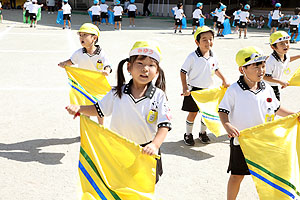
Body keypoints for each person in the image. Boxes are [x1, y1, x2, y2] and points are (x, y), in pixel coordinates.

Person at [65, 41, 171, 183]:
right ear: (129, 67)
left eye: (151, 65)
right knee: (119, 183)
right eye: (140, 63)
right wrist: (80, 109)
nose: (145, 69)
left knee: (143, 185)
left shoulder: (159, 96)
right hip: (119, 148)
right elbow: (99, 110)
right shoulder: (117, 92)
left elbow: (164, 125)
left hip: (146, 150)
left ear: (157, 71)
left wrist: (155, 145)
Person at [218, 46, 300, 200]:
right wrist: (227, 125)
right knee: (237, 176)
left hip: (264, 141)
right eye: (256, 66)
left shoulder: (267, 88)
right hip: (242, 142)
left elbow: (276, 108)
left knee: (266, 176)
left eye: (263, 66)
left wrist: (294, 115)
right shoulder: (234, 90)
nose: (261, 70)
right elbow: (223, 110)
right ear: (242, 69)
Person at [181, 26, 229, 146]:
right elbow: (183, 71)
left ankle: (203, 133)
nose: (208, 42)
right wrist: (185, 87)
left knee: (207, 114)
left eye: (211, 39)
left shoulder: (213, 55)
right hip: (194, 90)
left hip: (209, 91)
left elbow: (216, 69)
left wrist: (224, 79)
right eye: (204, 39)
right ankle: (188, 134)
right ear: (197, 42)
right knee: (193, 113)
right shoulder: (192, 56)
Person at [58, 23, 112, 125]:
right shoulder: (79, 53)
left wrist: (106, 71)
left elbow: (108, 65)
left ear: (94, 38)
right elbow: (71, 61)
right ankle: (87, 127)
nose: (81, 38)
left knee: (99, 106)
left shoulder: (101, 53)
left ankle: (101, 126)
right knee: (86, 107)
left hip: (97, 85)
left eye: (84, 35)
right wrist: (64, 63)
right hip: (84, 85)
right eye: (80, 35)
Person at [263, 31, 300, 101]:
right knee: (271, 107)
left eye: (287, 42)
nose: (286, 45)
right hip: (267, 88)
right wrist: (280, 82)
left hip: (275, 86)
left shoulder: (285, 55)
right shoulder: (271, 61)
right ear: (273, 47)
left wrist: (299, 56)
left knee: (275, 105)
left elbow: (288, 59)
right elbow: (265, 77)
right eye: (281, 44)